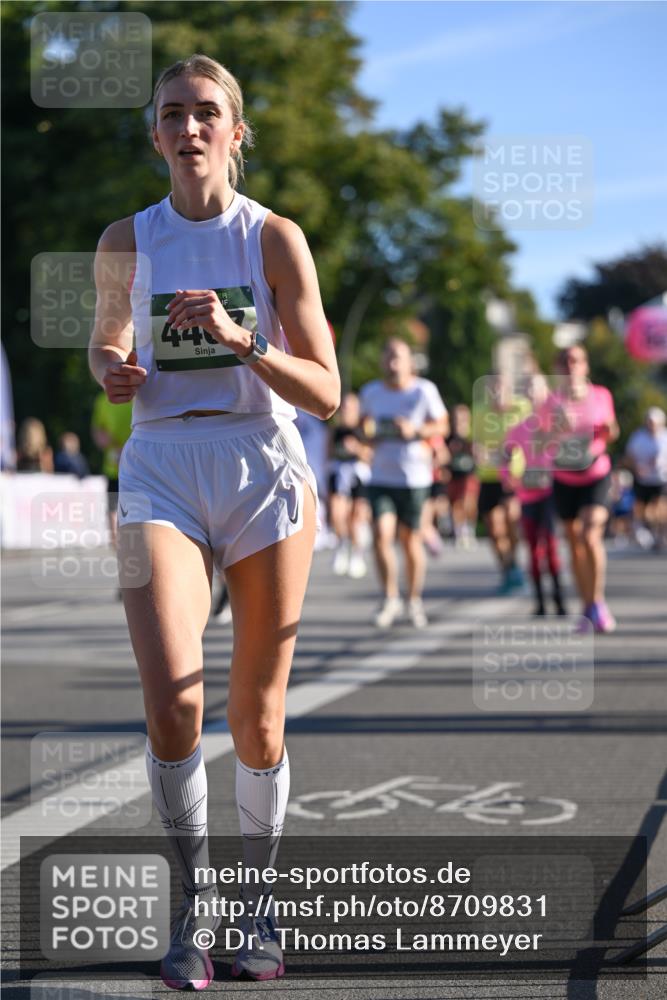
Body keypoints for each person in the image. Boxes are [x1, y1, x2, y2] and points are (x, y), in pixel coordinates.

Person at [88, 54, 339, 989]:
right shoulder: (125, 237)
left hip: (259, 464)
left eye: (206, 114)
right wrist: (111, 369)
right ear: (154, 135)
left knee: (256, 715)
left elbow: (326, 392)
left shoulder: (272, 239)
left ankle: (259, 910)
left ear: (235, 133)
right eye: (172, 115)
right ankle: (193, 909)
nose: (188, 129)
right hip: (159, 464)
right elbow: (105, 340)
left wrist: (245, 342)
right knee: (174, 701)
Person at [359, 338, 448, 628]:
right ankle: (389, 597)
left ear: (411, 362)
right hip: (381, 476)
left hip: (414, 478)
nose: (392, 362)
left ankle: (413, 599)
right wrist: (369, 434)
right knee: (381, 535)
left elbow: (443, 425)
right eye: (388, 356)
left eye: (398, 356)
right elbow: (363, 427)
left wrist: (415, 430)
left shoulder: (424, 390)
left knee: (411, 541)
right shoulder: (371, 392)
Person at [547, 344, 619, 632]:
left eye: (576, 360)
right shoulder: (550, 401)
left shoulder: (601, 395)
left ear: (585, 366)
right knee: (574, 544)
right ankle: (586, 604)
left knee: (590, 535)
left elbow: (612, 432)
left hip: (596, 473)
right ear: (557, 368)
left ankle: (598, 601)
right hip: (564, 477)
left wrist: (608, 427)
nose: (570, 366)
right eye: (564, 361)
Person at [501, 374, 565, 616]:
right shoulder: (519, 428)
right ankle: (539, 602)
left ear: (546, 392)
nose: (532, 393)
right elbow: (506, 453)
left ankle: (559, 599)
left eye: (536, 388)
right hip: (528, 494)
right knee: (532, 548)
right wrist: (509, 476)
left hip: (551, 492)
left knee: (550, 545)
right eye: (527, 389)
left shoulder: (556, 425)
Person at [472, 373, 529, 593]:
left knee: (512, 520)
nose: (496, 394)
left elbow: (532, 438)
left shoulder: (522, 408)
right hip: (488, 477)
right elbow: (475, 442)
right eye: (492, 389)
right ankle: (507, 569)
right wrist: (478, 451)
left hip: (513, 476)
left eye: (500, 388)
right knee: (494, 530)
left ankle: (515, 564)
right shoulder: (479, 412)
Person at [328, 391, 372, 578]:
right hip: (339, 472)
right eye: (344, 408)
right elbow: (328, 452)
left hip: (358, 475)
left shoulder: (364, 429)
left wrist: (357, 448)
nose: (346, 412)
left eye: (351, 408)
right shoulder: (335, 430)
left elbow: (371, 455)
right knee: (338, 515)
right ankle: (342, 545)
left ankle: (357, 554)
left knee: (355, 518)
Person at [91, 391, 133, 548]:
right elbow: (97, 429)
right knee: (112, 505)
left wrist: (128, 447)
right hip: (112, 466)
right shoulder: (102, 400)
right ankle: (116, 543)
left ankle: (132, 539)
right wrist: (105, 440)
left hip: (136, 462)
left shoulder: (138, 397)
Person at [625, 406, 667, 550]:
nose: (652, 424)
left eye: (654, 422)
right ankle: (650, 531)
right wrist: (637, 467)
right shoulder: (638, 437)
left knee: (660, 509)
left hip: (662, 479)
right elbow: (629, 456)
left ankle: (660, 536)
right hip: (643, 480)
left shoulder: (665, 437)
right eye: (649, 421)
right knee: (646, 512)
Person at [445, 403, 479, 548]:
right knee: (456, 504)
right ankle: (460, 532)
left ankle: (469, 528)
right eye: (456, 418)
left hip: (470, 474)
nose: (459, 421)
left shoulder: (473, 435)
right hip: (454, 475)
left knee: (469, 502)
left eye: (463, 418)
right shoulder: (448, 436)